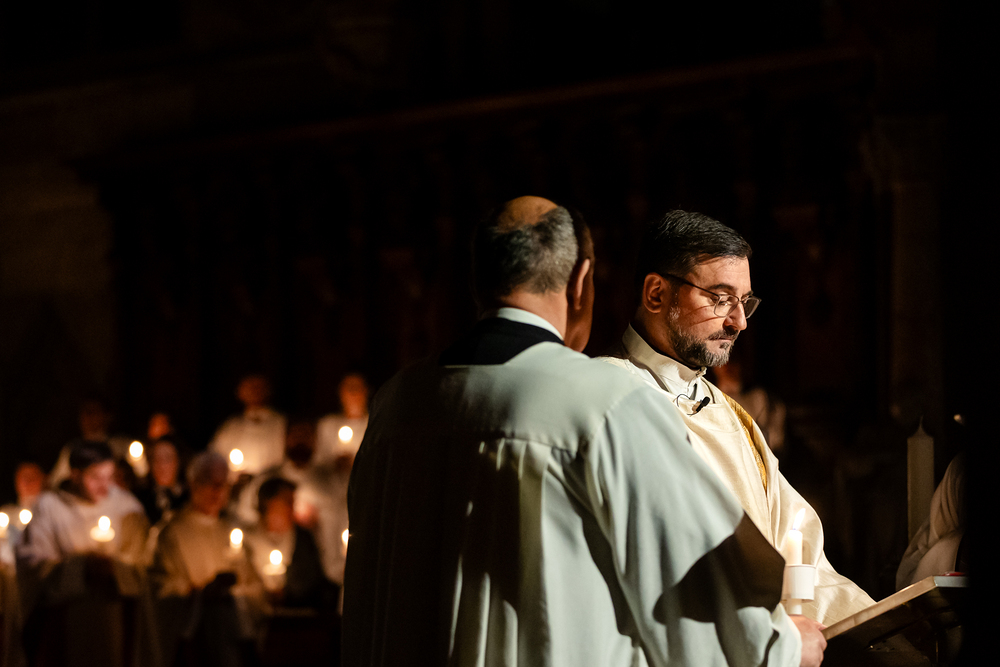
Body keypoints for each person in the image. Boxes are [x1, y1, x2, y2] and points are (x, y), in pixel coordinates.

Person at [343, 197, 825, 667]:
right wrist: (781, 648)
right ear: (580, 282)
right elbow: (690, 589)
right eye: (720, 299)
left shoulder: (394, 403)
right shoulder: (605, 401)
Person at [599, 209, 875, 625]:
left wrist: (875, 624)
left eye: (744, 302)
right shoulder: (604, 398)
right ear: (656, 294)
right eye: (720, 298)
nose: (739, 322)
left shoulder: (731, 415)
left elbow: (800, 552)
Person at [150, 452, 265, 666]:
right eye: (210, 483)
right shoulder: (172, 533)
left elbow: (256, 589)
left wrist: (234, 595)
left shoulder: (231, 533)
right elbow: (160, 590)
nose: (217, 491)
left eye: (223, 485)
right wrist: (199, 594)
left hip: (231, 641)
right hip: (194, 646)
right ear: (193, 484)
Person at [244, 477, 335, 609]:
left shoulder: (303, 538)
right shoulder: (248, 540)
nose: (292, 508)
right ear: (268, 503)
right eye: (287, 502)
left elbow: (314, 580)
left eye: (293, 502)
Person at [209, 375, 287, 476]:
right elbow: (215, 456)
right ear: (240, 392)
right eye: (249, 387)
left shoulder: (282, 424)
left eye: (258, 387)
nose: (254, 391)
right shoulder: (231, 426)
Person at [135, 437, 190, 526]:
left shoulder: (190, 499)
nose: (161, 465)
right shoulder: (140, 500)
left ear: (178, 461)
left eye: (167, 459)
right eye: (156, 459)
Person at [316, 373, 370, 461]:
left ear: (366, 391)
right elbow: (319, 462)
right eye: (349, 388)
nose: (353, 393)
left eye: (357, 388)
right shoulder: (327, 425)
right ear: (340, 393)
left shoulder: (376, 425)